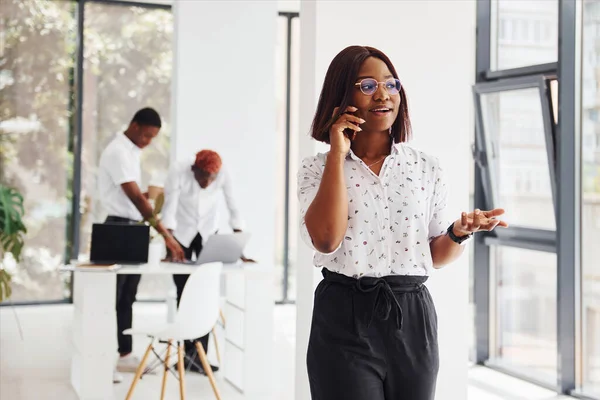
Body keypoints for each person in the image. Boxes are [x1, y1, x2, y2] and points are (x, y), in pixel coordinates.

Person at [298, 45, 508, 400]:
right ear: (341, 95)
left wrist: (459, 233)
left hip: (412, 319)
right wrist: (337, 152)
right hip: (344, 317)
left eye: (391, 84)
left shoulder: (426, 167)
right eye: (366, 86)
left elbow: (434, 256)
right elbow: (326, 240)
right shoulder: (316, 168)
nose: (382, 94)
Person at [97, 107, 185, 383]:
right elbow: (135, 199)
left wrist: (149, 196)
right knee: (110, 298)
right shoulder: (118, 152)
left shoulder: (131, 153)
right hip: (117, 228)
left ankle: (124, 356)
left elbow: (133, 195)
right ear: (134, 126)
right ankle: (101, 361)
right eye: (147, 135)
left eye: (152, 137)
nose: (148, 141)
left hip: (132, 226)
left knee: (127, 297)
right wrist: (166, 235)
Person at [161, 149, 253, 373]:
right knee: (184, 291)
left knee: (205, 292)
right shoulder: (178, 170)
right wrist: (169, 244)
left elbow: (233, 206)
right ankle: (185, 357)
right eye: (203, 177)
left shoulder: (222, 174)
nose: (207, 182)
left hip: (208, 233)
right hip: (180, 235)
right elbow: (169, 207)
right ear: (194, 169)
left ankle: (200, 357)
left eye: (212, 179)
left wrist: (238, 244)